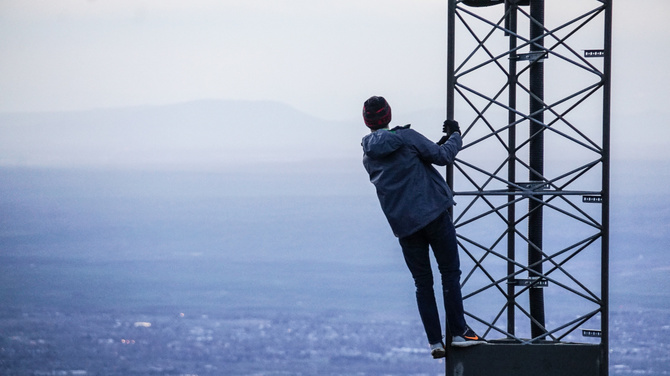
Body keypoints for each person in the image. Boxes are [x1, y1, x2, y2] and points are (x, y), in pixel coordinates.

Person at [360, 96, 485, 359]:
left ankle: (435, 342)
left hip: (405, 227)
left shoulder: (368, 156)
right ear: (389, 115)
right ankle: (460, 332)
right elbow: (442, 157)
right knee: (449, 272)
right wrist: (455, 136)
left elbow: (407, 165)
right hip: (434, 215)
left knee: (422, 283)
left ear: (367, 121)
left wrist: (433, 146)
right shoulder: (406, 136)